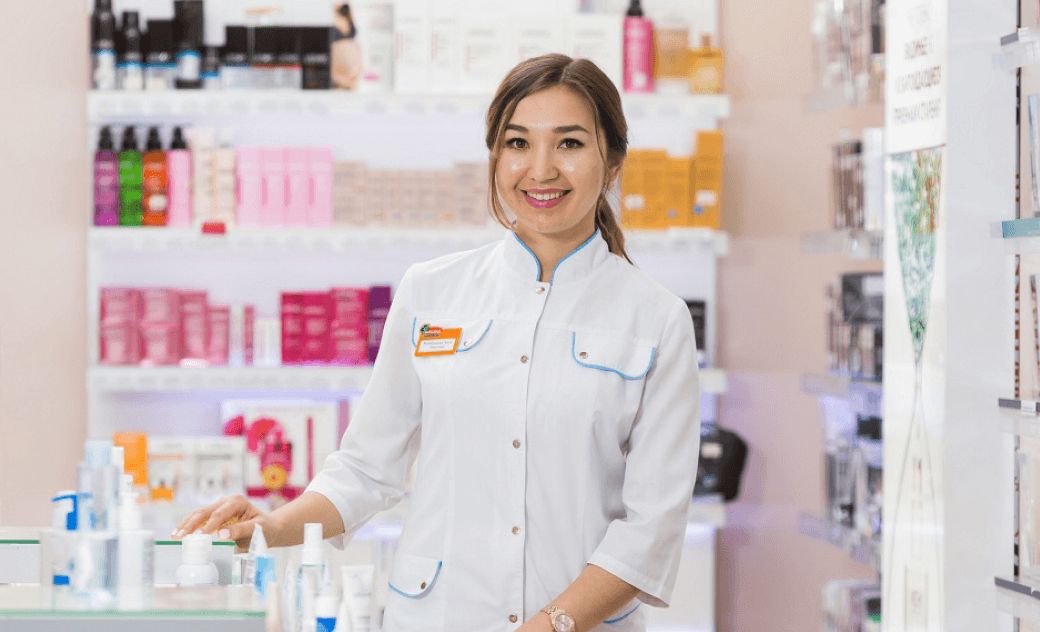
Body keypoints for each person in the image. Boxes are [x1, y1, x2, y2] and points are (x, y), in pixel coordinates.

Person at [174, 53, 701, 632]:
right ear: (495, 157)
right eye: (518, 143)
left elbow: (650, 527)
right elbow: (366, 469)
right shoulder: (431, 290)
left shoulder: (657, 319)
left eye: (569, 143)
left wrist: (551, 624)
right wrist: (272, 528)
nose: (541, 169)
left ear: (614, 161)